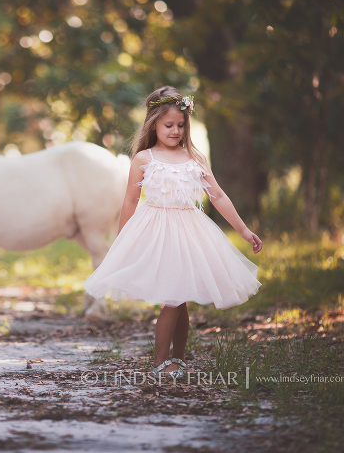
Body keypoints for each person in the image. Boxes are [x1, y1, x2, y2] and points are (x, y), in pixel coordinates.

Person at [83, 86, 262, 381]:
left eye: (181, 125)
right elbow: (129, 201)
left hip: (190, 233)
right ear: (153, 123)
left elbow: (218, 196)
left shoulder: (194, 157)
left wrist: (243, 229)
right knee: (172, 299)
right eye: (169, 125)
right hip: (156, 233)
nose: (176, 131)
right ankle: (160, 362)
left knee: (181, 298)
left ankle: (177, 358)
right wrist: (121, 240)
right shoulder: (144, 159)